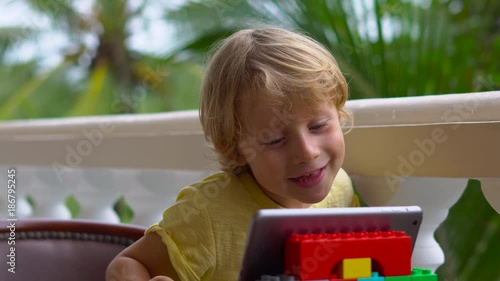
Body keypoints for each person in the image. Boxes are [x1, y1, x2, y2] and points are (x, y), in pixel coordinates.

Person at [106, 26, 359, 281]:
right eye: (275, 140)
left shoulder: (343, 191)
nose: (307, 152)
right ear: (234, 148)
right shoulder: (206, 215)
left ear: (339, 116)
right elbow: (127, 264)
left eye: (318, 126)